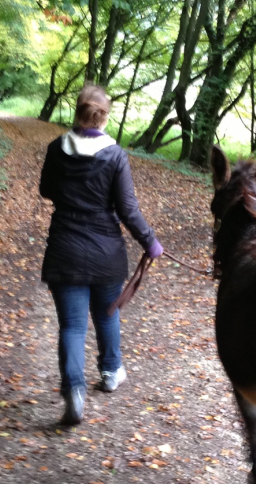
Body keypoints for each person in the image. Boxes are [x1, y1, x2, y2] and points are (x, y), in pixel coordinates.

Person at [39, 84, 163, 425]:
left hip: (65, 248)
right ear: (104, 115)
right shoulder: (115, 154)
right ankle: (110, 373)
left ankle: (74, 391)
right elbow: (127, 208)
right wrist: (150, 242)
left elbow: (46, 190)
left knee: (73, 325)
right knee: (107, 315)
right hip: (106, 251)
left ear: (76, 110)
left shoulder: (56, 148)